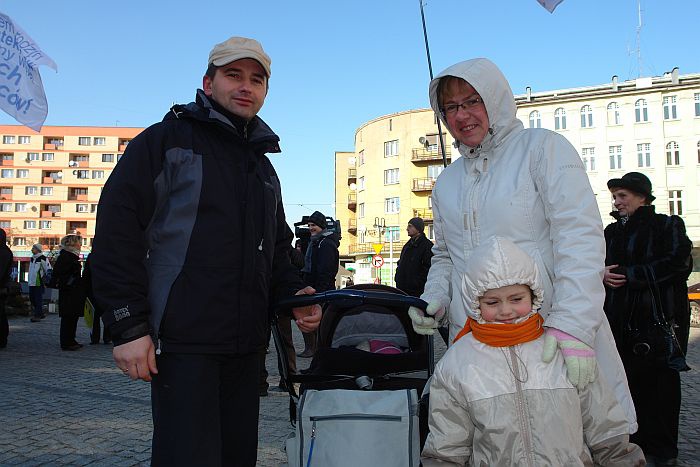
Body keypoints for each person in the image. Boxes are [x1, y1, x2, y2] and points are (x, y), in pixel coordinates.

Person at [90, 36, 321, 467]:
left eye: (257, 79)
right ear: (208, 82)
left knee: (236, 458)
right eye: (233, 75)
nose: (245, 86)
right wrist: (126, 326)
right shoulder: (164, 142)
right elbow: (117, 232)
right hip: (184, 343)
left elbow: (275, 250)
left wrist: (294, 296)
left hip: (247, 347)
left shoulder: (264, 168)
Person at [408, 58, 637, 427]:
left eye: (471, 101)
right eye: (450, 107)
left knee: (562, 438)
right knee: (494, 438)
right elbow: (446, 254)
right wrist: (437, 296)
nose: (462, 115)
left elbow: (579, 239)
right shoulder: (447, 182)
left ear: (495, 99)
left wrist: (574, 324)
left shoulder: (543, 149)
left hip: (549, 333)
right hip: (477, 340)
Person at [422, 237, 644, 466]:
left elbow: (601, 418)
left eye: (516, 299)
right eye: (492, 302)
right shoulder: (459, 361)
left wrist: (619, 457)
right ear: (475, 302)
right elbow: (447, 443)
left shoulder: (563, 349)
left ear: (534, 294)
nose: (506, 310)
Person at [604, 172, 692, 466]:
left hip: (659, 324)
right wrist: (602, 274)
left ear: (642, 197)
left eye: (623, 196)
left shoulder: (667, 225)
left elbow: (679, 263)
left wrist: (633, 275)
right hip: (620, 327)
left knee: (662, 393)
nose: (617, 202)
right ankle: (634, 450)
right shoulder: (611, 232)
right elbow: (596, 265)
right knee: (628, 389)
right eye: (615, 197)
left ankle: (664, 453)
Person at [298, 210, 339, 358]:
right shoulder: (316, 242)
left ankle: (318, 350)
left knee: (320, 323)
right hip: (314, 289)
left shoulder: (326, 244)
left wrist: (319, 291)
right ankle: (313, 349)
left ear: (322, 226)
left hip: (322, 291)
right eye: (309, 225)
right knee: (313, 321)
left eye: (313, 225)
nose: (310, 228)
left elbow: (326, 270)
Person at [52, 234, 85, 351]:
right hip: (69, 292)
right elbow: (62, 274)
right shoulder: (66, 257)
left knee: (73, 317)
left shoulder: (70, 256)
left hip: (72, 291)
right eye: (79, 243)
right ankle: (67, 342)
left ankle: (71, 339)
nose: (80, 245)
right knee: (68, 317)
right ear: (73, 244)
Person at [394, 217, 433, 297]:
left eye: (410, 226)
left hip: (417, 293)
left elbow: (428, 268)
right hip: (402, 290)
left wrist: (417, 283)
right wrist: (397, 277)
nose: (407, 229)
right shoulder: (407, 246)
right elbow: (400, 263)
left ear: (418, 228)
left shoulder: (427, 246)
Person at [82, 255, 110, 344]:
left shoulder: (92, 257)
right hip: (105, 291)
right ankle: (107, 337)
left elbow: (86, 274)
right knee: (107, 316)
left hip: (93, 290)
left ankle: (95, 338)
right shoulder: (109, 255)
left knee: (94, 316)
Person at [28, 243, 51, 322]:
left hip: (38, 282)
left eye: (33, 248)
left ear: (37, 250)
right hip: (31, 282)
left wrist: (46, 281)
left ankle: (37, 316)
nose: (31, 250)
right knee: (32, 298)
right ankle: (40, 313)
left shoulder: (43, 258)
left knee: (38, 299)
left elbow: (48, 269)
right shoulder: (32, 258)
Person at [0, 228, 12, 349]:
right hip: (3, 287)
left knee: (1, 315)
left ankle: (2, 339)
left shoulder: (3, 252)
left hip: (2, 287)